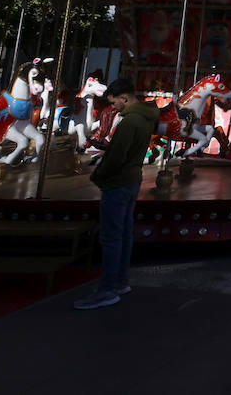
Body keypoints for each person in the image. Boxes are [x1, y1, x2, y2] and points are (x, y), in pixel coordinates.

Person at [75, 77, 158, 310]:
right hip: (133, 178)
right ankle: (120, 280)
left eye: (114, 103)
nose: (113, 108)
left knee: (111, 236)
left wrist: (99, 176)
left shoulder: (130, 122)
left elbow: (116, 157)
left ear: (125, 97)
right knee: (124, 233)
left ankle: (106, 289)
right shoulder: (145, 118)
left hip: (118, 181)